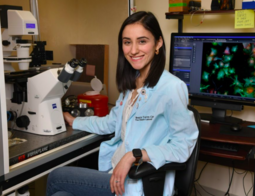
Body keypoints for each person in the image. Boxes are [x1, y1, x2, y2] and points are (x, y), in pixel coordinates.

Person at [46, 11, 199, 196]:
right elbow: (111, 122)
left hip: (137, 183)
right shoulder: (131, 85)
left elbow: (183, 146)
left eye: (142, 41)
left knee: (57, 177)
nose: (133, 50)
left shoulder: (172, 87)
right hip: (116, 174)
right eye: (127, 42)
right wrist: (74, 121)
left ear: (158, 43)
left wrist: (136, 154)